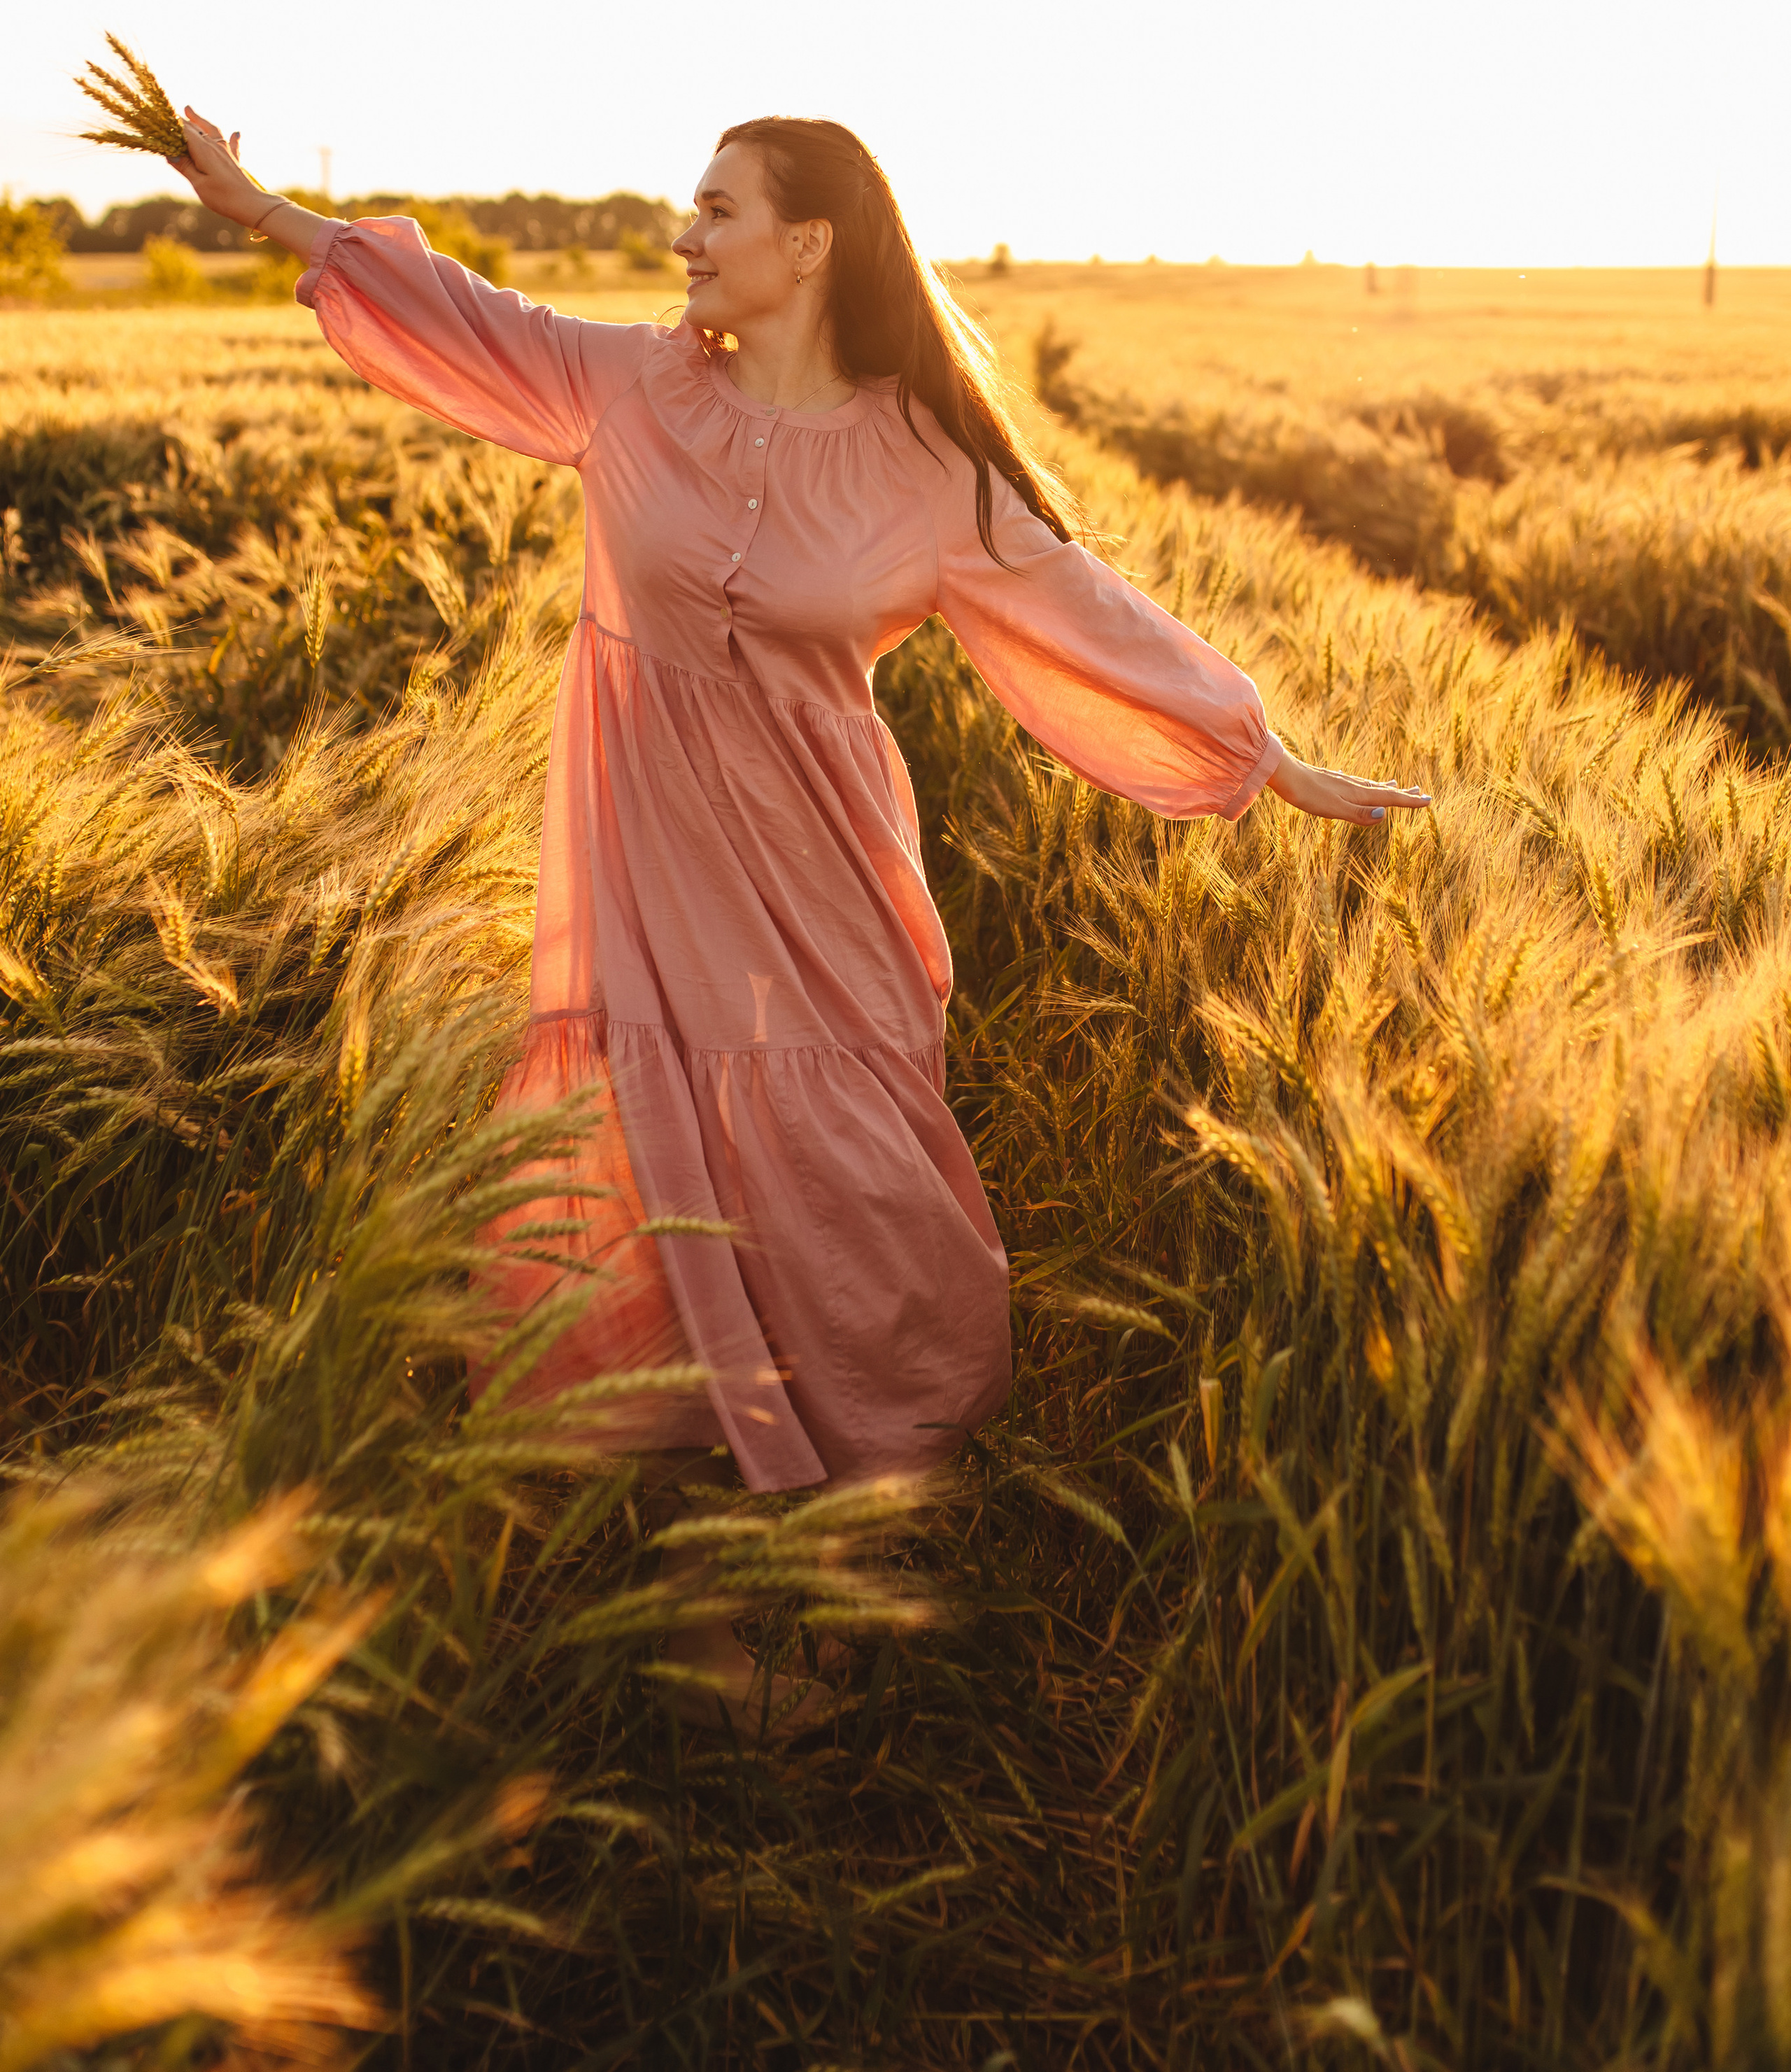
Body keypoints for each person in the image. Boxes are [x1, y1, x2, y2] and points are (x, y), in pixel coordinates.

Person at [171, 107, 1429, 1726]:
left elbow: (1089, 616)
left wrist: (1270, 762)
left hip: (820, 866)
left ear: (809, 242)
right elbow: (461, 319)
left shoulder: (921, 460)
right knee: (663, 1178)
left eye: (714, 207)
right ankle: (728, 1578)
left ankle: (849, 1540)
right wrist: (249, 200)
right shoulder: (627, 387)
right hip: (644, 854)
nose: (684, 234)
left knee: (850, 1184)